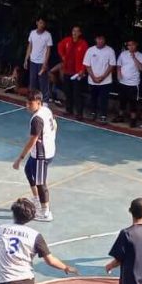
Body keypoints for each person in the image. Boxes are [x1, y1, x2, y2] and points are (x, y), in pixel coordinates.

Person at [13, 91, 58, 222]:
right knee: (28, 170)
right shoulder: (46, 110)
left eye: (30, 103)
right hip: (42, 151)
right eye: (26, 103)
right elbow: (55, 124)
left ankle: (45, 212)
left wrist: (20, 158)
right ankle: (37, 199)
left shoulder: (37, 119)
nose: (27, 106)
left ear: (38, 103)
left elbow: (32, 141)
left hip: (41, 155)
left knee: (40, 183)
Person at [83, 33, 117, 123]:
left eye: (102, 39)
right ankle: (93, 113)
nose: (100, 41)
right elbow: (87, 65)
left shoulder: (110, 50)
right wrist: (93, 77)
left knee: (104, 99)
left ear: (105, 40)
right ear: (95, 39)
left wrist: (103, 77)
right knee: (93, 98)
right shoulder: (90, 50)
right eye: (98, 39)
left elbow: (112, 65)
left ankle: (103, 115)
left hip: (105, 81)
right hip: (92, 80)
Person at [57, 25, 89, 118]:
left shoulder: (83, 44)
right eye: (73, 31)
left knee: (77, 93)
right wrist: (62, 56)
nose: (74, 33)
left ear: (80, 33)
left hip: (77, 73)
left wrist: (83, 70)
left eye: (77, 31)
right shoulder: (67, 40)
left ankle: (79, 113)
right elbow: (59, 46)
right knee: (68, 92)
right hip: (67, 71)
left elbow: (86, 58)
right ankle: (69, 110)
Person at [115, 39, 142, 127]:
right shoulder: (123, 54)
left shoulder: (140, 56)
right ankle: (120, 116)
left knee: (133, 103)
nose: (131, 47)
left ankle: (133, 119)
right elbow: (119, 65)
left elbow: (141, 68)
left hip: (133, 84)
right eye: (129, 45)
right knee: (122, 101)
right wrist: (118, 74)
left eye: (132, 45)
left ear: (136, 45)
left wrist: (134, 57)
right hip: (123, 82)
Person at [24, 16, 54, 103]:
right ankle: (33, 100)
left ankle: (45, 102)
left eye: (43, 23)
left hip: (41, 63)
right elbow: (30, 46)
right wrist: (26, 59)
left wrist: (45, 63)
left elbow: (48, 50)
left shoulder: (48, 35)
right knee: (32, 82)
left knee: (43, 83)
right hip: (33, 61)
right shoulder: (32, 33)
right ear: (37, 23)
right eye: (40, 23)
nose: (42, 25)